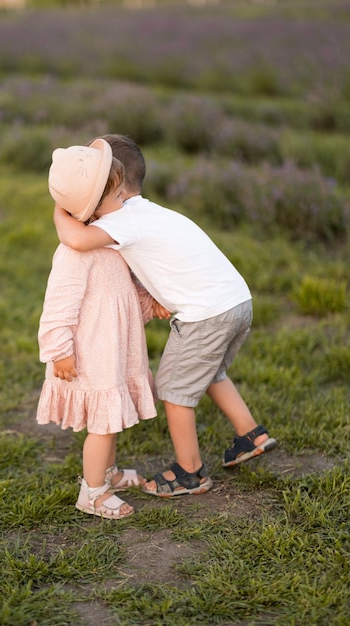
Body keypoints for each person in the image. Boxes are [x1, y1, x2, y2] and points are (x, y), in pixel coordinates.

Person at [53, 134, 278, 498]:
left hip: (205, 315)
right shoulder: (154, 213)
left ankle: (190, 472)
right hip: (237, 302)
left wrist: (62, 208)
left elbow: (76, 241)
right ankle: (251, 433)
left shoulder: (125, 218)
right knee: (210, 372)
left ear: (117, 189)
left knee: (174, 389)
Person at [36, 138, 161, 518]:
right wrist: (59, 351)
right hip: (91, 354)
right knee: (102, 425)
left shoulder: (107, 240)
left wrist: (149, 304)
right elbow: (59, 304)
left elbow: (120, 292)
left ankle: (107, 472)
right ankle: (92, 493)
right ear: (94, 205)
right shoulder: (75, 253)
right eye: (117, 194)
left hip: (115, 349)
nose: (124, 200)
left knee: (113, 418)